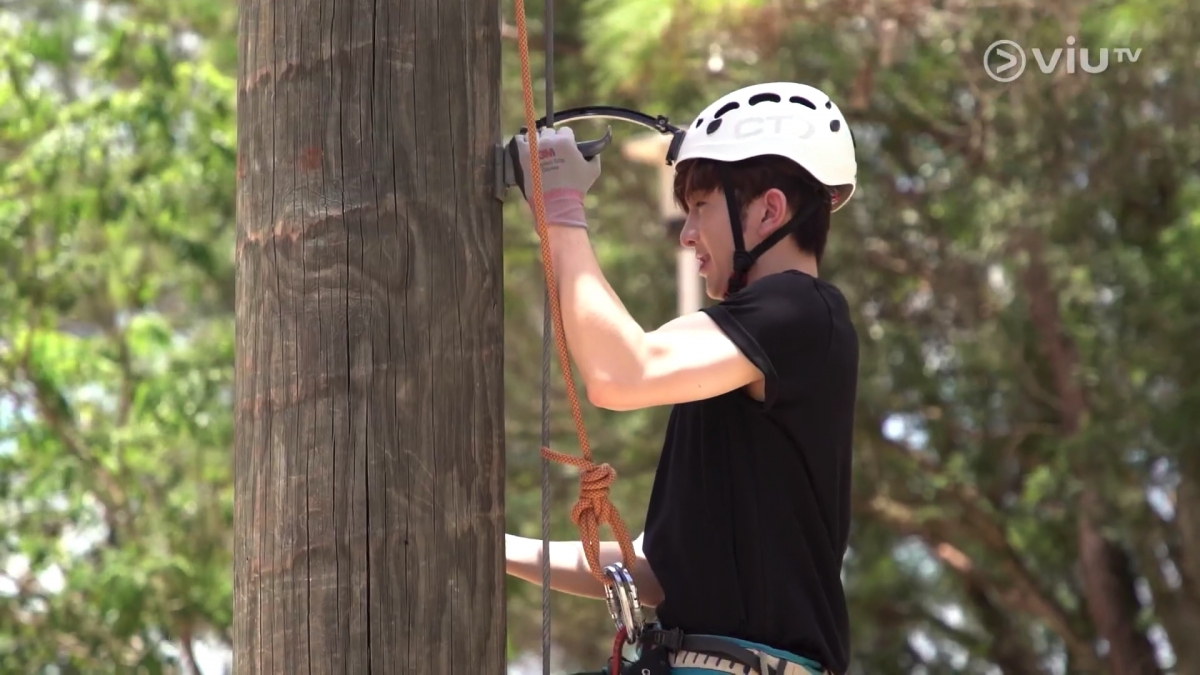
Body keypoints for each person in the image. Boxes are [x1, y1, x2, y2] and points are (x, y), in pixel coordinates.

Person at [505, 81, 860, 675]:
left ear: (769, 210)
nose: (688, 233)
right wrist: (493, 547)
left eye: (700, 207)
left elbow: (620, 373)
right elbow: (654, 572)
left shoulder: (800, 310)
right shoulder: (740, 358)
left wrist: (563, 210)